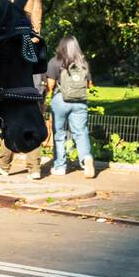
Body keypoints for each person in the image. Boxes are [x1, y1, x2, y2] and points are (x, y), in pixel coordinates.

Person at [46, 34, 95, 177]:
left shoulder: (55, 62)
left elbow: (50, 85)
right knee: (81, 132)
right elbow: (89, 85)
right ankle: (87, 158)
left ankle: (60, 167)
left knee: (59, 134)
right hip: (79, 102)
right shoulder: (83, 64)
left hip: (60, 100)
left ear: (61, 46)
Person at [0, 72, 46, 179]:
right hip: (36, 96)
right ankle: (34, 168)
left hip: (18, 96)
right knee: (33, 132)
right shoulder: (34, 58)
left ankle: (4, 165)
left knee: (11, 128)